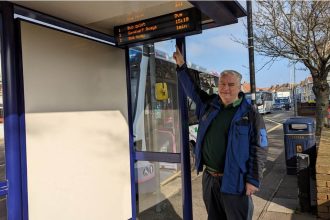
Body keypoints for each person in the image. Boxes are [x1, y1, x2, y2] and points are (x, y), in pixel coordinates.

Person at [173, 46, 268, 220]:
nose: (225, 88)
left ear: (240, 87)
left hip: (236, 181)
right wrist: (181, 67)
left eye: (231, 84)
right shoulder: (209, 105)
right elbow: (192, 90)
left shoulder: (251, 114)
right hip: (210, 178)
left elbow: (260, 148)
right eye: (222, 84)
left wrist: (253, 180)